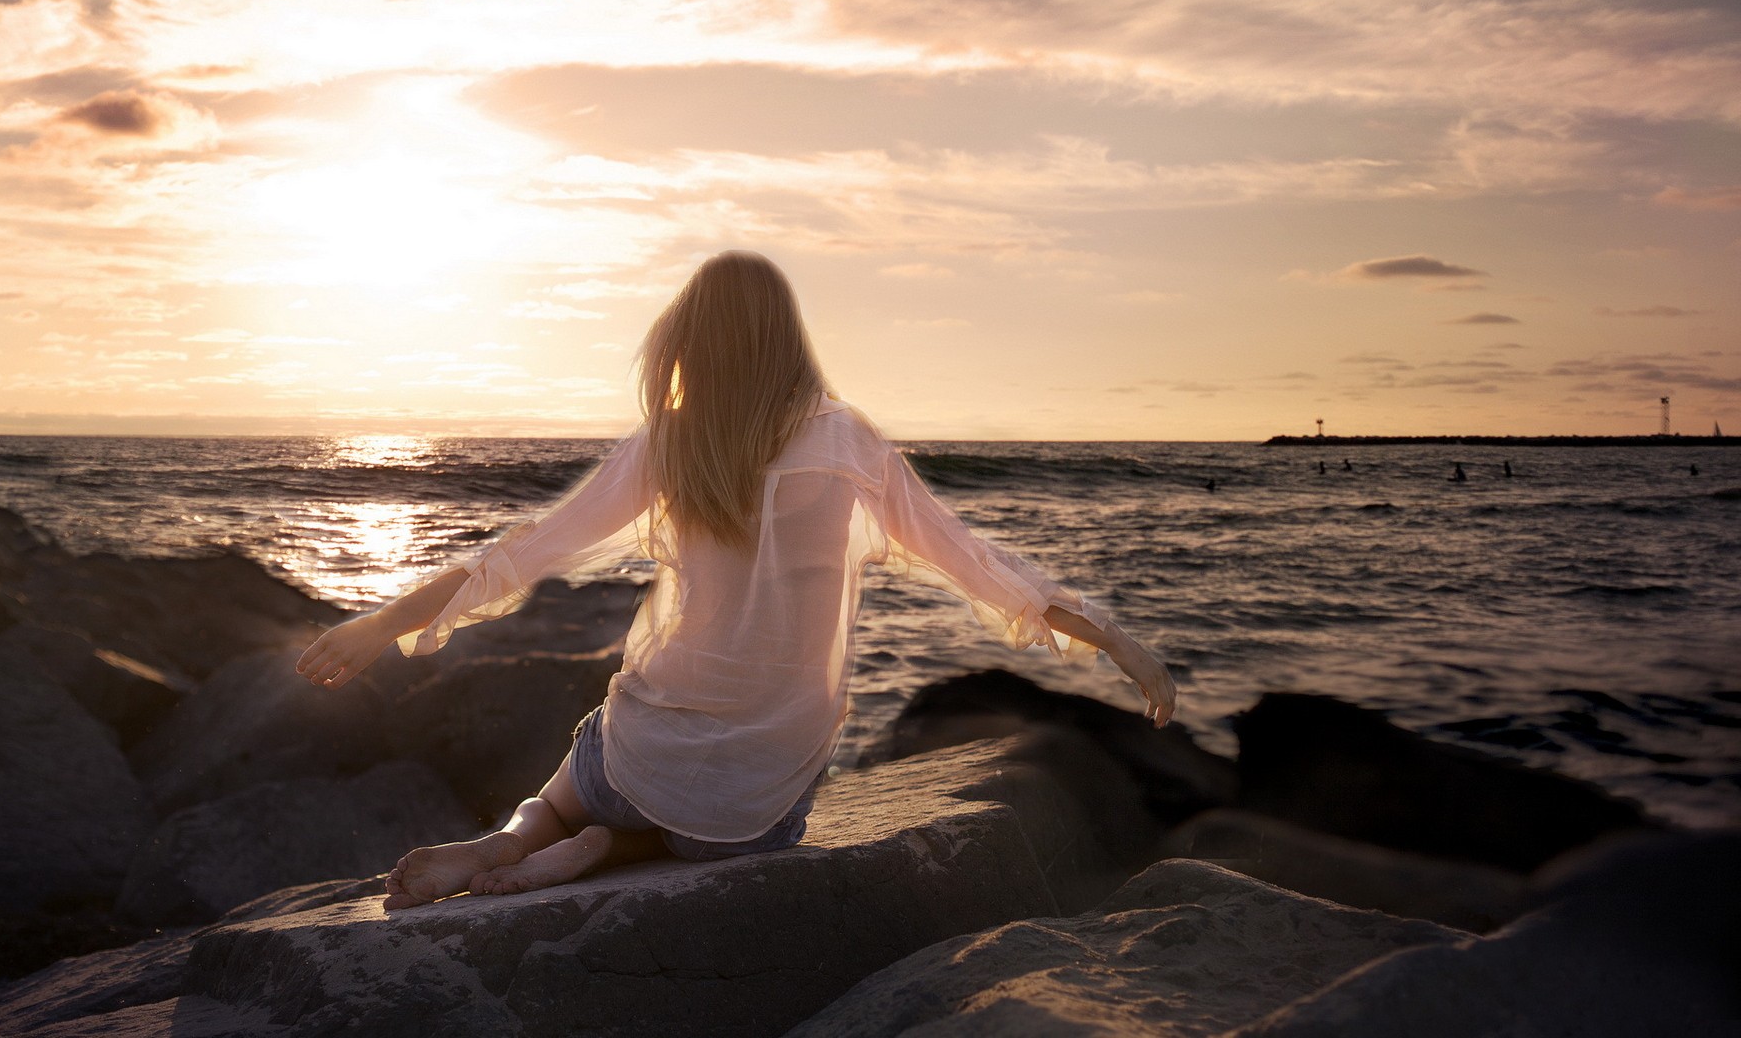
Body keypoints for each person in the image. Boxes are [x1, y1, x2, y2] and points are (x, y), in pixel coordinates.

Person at [294, 251, 1177, 910]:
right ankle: (615, 849)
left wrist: (381, 623)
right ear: (787, 340)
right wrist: (1118, 640)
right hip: (758, 795)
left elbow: (527, 551)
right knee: (712, 815)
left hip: (641, 750)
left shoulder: (672, 443)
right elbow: (979, 565)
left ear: (690, 339)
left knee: (560, 789)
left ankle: (530, 840)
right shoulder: (849, 444)